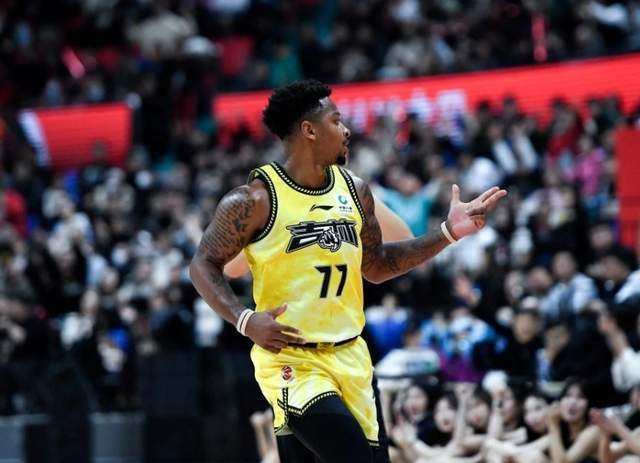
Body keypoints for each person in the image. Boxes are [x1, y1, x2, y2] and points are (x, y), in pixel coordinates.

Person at [189, 79, 506, 463]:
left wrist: (447, 233)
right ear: (309, 130)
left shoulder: (355, 189)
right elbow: (203, 264)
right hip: (294, 361)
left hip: (351, 355)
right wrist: (244, 320)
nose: (347, 130)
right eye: (336, 120)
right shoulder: (256, 199)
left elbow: (378, 265)